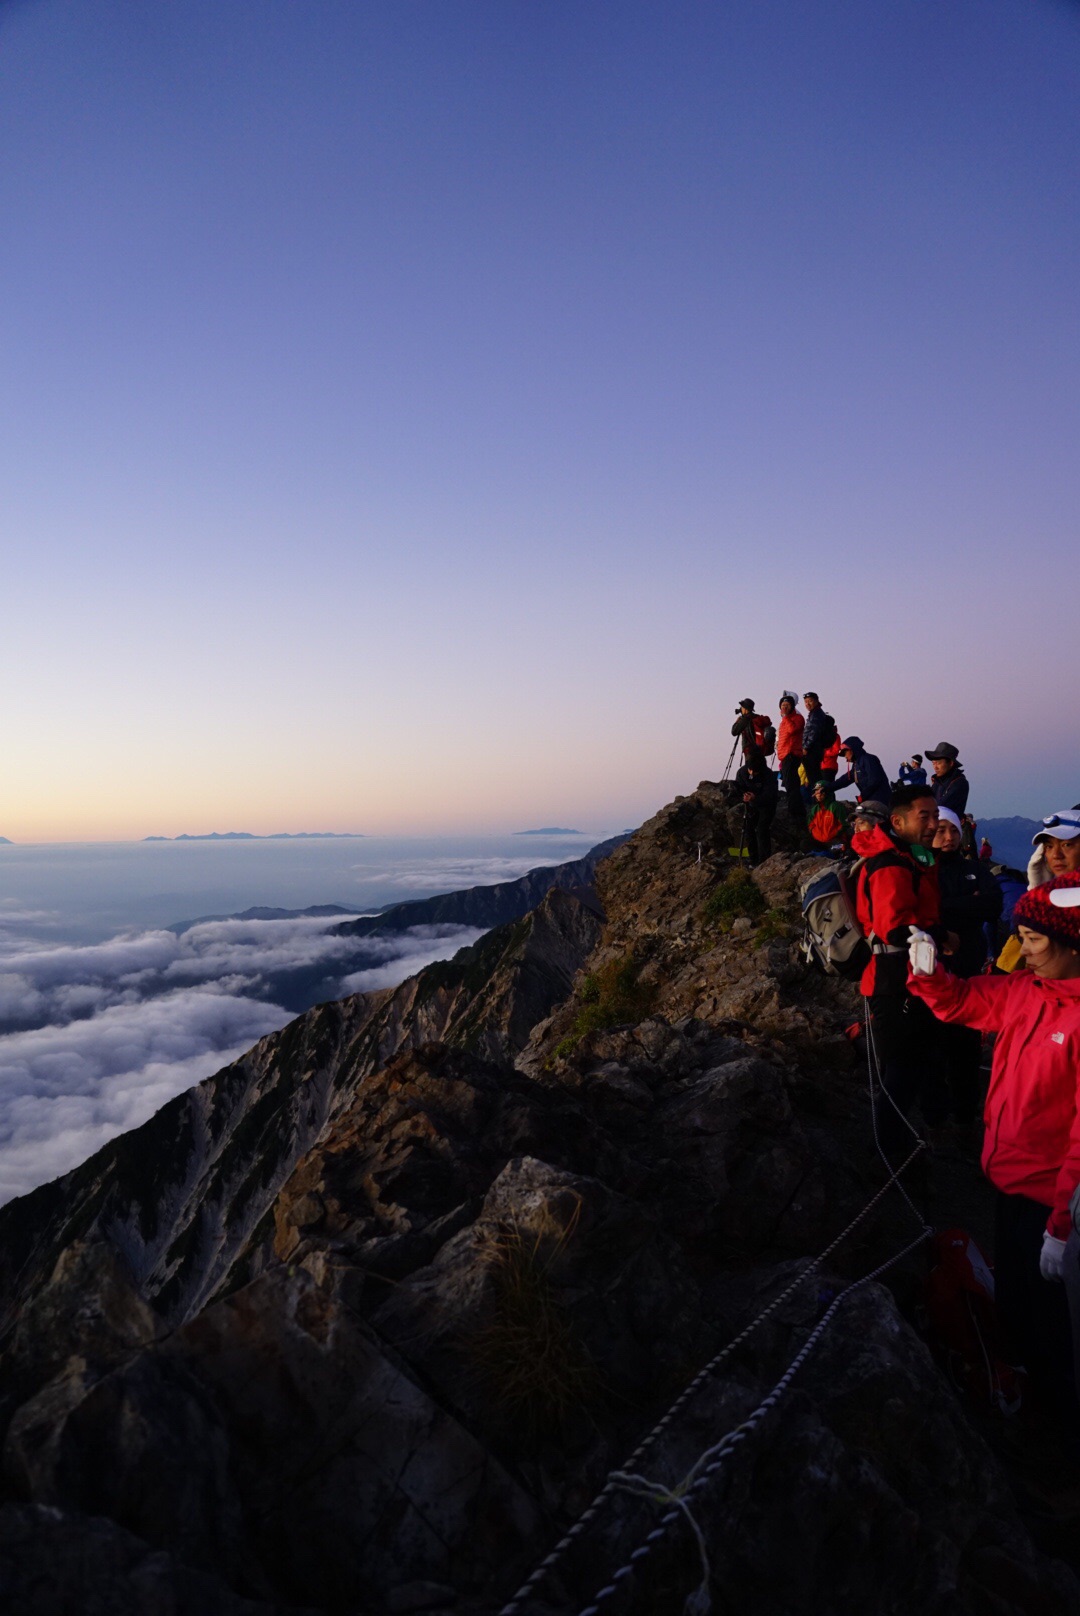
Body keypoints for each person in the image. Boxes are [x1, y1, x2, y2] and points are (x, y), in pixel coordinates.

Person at [908, 875, 1080, 1427]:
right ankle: (1026, 1401)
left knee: (1057, 1331)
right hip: (1008, 1184)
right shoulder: (1025, 991)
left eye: (1032, 940)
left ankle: (1061, 1443)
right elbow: (962, 1003)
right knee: (1021, 1313)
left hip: (1052, 1204)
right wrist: (929, 974)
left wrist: (1061, 1227)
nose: (1022, 951)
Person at [853, 783, 954, 1159]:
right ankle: (886, 1155)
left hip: (903, 974)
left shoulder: (906, 856)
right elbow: (895, 927)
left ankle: (903, 1143)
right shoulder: (891, 864)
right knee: (900, 1070)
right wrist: (944, 935)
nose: (932, 824)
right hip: (894, 979)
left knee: (916, 1059)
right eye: (923, 816)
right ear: (898, 820)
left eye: (935, 816)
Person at [932, 806, 1003, 1132]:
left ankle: (964, 1117)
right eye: (941, 830)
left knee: (965, 1047)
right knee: (935, 1046)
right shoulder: (924, 870)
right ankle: (938, 1117)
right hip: (935, 975)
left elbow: (992, 905)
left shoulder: (975, 867)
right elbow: (932, 911)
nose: (948, 837)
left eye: (954, 831)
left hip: (969, 973)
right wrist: (967, 903)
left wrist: (947, 907)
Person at [997, 812, 1080, 972]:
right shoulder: (1045, 901)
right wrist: (1037, 891)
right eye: (1049, 846)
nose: (1056, 855)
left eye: (1067, 845)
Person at [734, 746, 779, 867]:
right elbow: (738, 787)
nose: (752, 773)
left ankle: (764, 861)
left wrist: (755, 797)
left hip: (767, 805)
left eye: (755, 771)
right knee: (749, 830)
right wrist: (743, 796)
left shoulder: (768, 774)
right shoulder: (742, 772)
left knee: (762, 830)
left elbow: (770, 794)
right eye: (750, 770)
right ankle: (753, 860)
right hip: (751, 805)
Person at [776, 692, 806, 836]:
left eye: (787, 705)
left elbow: (792, 730)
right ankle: (794, 808)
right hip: (785, 755)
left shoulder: (797, 718)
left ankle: (796, 811)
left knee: (791, 784)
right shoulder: (786, 720)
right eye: (782, 705)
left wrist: (786, 716)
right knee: (789, 783)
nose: (784, 708)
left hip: (791, 754)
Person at [833, 736, 890, 808]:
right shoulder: (856, 765)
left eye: (845, 752)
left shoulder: (868, 759)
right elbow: (845, 780)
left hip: (880, 801)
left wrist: (862, 796)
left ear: (852, 749)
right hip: (870, 801)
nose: (845, 756)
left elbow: (875, 780)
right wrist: (828, 787)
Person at [802, 693, 839, 789]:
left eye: (810, 701)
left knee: (814, 779)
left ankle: (819, 802)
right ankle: (819, 801)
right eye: (805, 702)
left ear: (817, 701)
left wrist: (806, 747)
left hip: (812, 751)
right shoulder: (814, 713)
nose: (807, 704)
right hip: (815, 750)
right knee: (815, 778)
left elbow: (814, 732)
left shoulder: (817, 714)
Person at [925, 743, 969, 817]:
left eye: (938, 763)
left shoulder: (960, 783)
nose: (935, 767)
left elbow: (940, 807)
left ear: (951, 763)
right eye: (933, 763)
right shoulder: (937, 782)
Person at [806, 780, 850, 850]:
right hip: (819, 841)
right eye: (816, 791)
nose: (818, 794)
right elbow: (810, 825)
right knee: (804, 844)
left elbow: (844, 825)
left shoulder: (836, 806)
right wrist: (817, 835)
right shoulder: (814, 809)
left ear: (827, 792)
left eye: (821, 791)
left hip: (834, 840)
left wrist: (831, 835)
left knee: (838, 849)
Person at [731, 699, 775, 764]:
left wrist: (737, 722)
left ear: (745, 709)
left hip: (750, 752)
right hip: (760, 750)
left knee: (751, 770)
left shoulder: (745, 720)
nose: (741, 709)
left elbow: (734, 732)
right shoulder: (757, 717)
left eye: (742, 707)